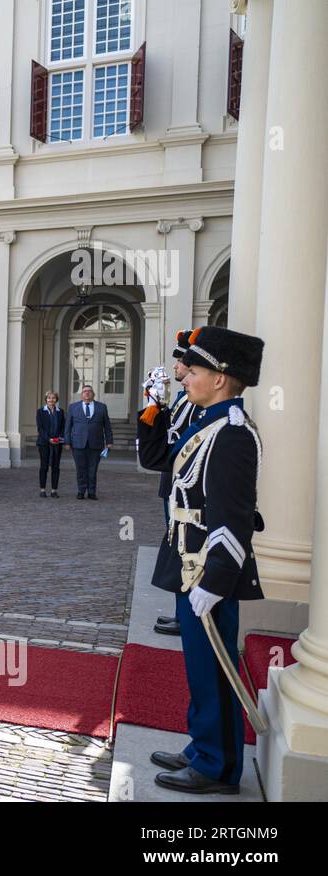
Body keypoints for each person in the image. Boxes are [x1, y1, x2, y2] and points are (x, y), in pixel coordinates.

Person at [137, 326, 264, 795]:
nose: (186, 374)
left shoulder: (231, 433)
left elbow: (233, 517)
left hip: (208, 568)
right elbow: (162, 462)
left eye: (197, 369)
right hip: (190, 560)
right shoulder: (207, 420)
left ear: (221, 377)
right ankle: (202, 745)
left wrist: (216, 579)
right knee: (199, 664)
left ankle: (218, 764)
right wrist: (152, 408)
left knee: (214, 666)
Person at [137, 330, 197, 636]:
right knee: (177, 545)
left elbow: (175, 442)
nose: (176, 369)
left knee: (183, 547)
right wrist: (155, 405)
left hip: (182, 484)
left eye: (181, 363)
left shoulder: (193, 402)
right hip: (172, 482)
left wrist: (157, 410)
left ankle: (184, 613)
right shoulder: (184, 398)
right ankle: (180, 611)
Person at [65, 384, 113, 500]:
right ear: (81, 395)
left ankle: (92, 492)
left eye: (89, 391)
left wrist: (109, 441)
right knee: (80, 469)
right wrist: (67, 441)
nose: (87, 393)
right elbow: (68, 426)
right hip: (78, 443)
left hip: (96, 443)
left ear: (93, 394)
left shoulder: (101, 407)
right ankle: (81, 491)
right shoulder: (73, 407)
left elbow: (107, 426)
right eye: (85, 391)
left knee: (93, 469)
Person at [36, 390, 65, 498]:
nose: (51, 400)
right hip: (44, 443)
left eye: (53, 398)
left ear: (56, 400)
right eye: (49, 398)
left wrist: (59, 438)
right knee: (44, 466)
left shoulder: (60, 412)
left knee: (56, 467)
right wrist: (49, 439)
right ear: (46, 399)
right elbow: (40, 428)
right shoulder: (40, 412)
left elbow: (63, 426)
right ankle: (42, 490)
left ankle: (54, 490)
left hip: (57, 443)